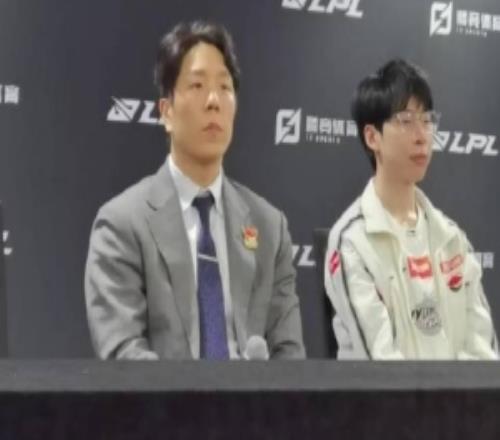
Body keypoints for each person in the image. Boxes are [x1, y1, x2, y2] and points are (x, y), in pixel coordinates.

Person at [85, 21, 305, 360]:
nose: (214, 101)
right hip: (163, 397)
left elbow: (289, 354)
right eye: (197, 85)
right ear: (166, 112)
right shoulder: (122, 224)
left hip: (254, 397)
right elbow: (124, 356)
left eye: (224, 87)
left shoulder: (269, 226)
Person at [324, 59, 498, 360]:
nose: (422, 136)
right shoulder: (352, 241)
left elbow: (484, 354)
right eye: (406, 121)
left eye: (427, 120)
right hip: (386, 393)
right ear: (372, 137)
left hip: (464, 394)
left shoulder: (451, 238)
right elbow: (381, 367)